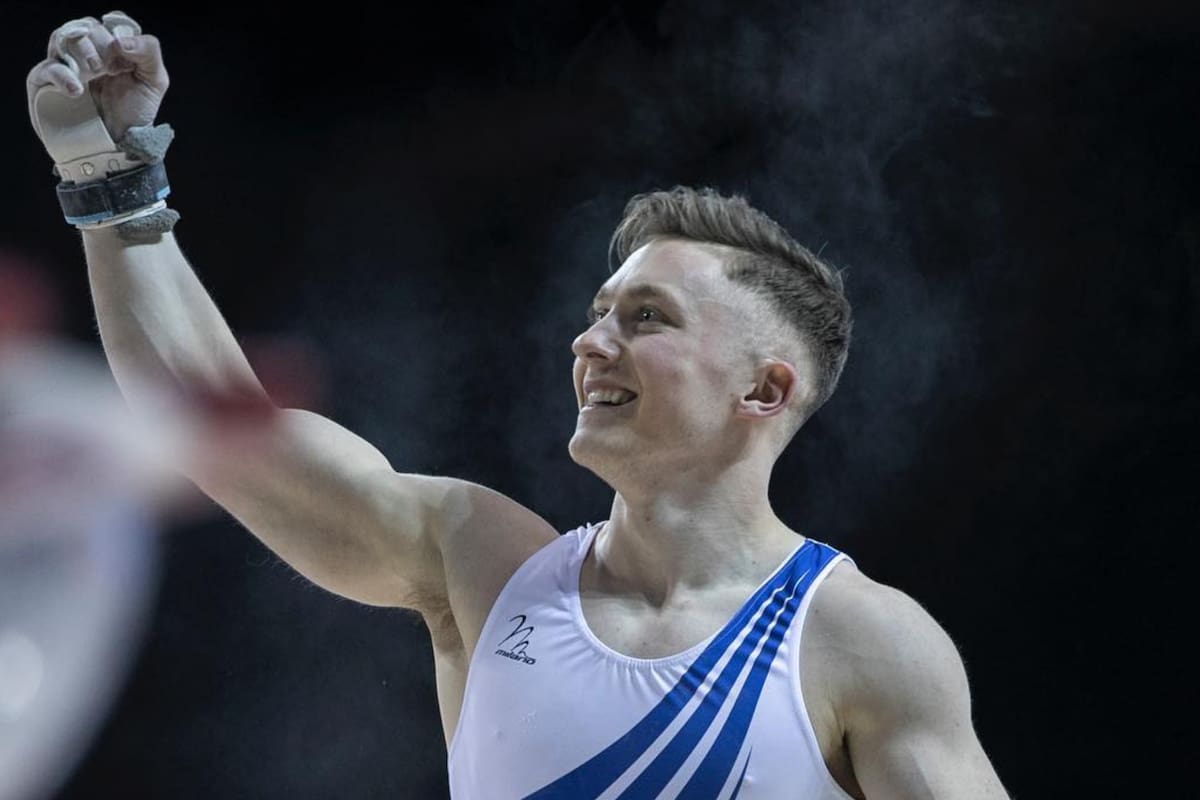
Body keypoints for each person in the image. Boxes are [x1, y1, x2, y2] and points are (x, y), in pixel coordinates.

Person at [25, 13, 1010, 799]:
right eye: (597, 312)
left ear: (765, 386)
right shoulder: (481, 559)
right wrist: (110, 184)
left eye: (647, 317)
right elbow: (226, 433)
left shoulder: (863, 644)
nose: (591, 342)